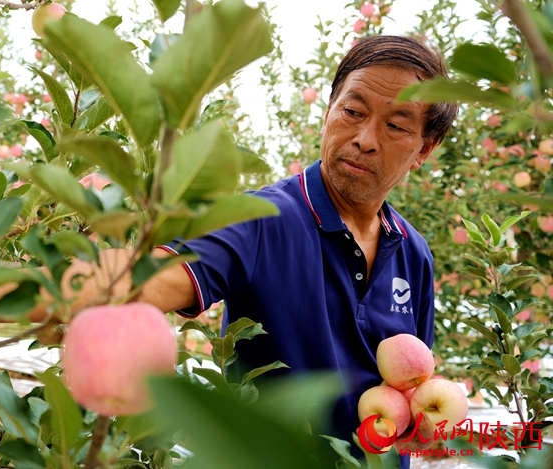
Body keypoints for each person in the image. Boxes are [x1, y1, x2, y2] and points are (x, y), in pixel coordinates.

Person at [29, 35, 458, 468]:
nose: (365, 139)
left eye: (396, 126)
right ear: (329, 110)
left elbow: (410, 386)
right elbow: (152, 276)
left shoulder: (412, 253)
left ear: (424, 149)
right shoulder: (263, 219)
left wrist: (419, 423)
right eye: (353, 111)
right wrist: (6, 290)